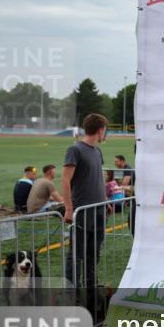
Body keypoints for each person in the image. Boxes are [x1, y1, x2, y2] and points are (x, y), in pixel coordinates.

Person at [62, 113, 108, 315]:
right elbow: (65, 180)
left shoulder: (97, 151)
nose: (104, 133)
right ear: (100, 130)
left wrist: (105, 200)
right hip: (82, 211)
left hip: (98, 211)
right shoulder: (75, 149)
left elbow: (98, 179)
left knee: (93, 253)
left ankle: (91, 291)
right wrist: (69, 208)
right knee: (76, 255)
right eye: (104, 130)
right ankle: (71, 293)